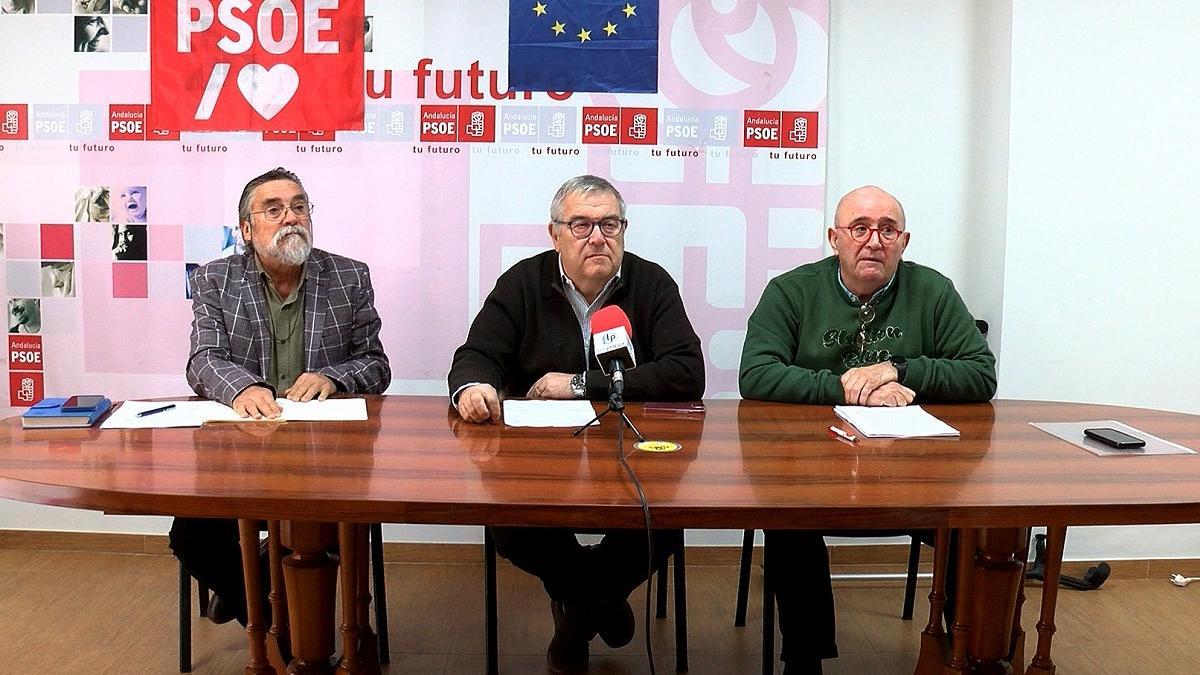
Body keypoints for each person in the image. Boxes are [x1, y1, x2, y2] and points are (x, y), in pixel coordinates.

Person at [449, 174, 704, 673]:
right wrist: (474, 386)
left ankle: (575, 616)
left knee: (663, 523)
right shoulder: (522, 282)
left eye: (609, 224)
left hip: (633, 456)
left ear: (623, 231)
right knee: (511, 526)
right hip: (538, 459)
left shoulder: (650, 283)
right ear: (555, 233)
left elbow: (685, 371)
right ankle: (598, 600)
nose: (597, 237)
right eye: (582, 224)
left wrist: (582, 383)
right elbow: (477, 354)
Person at [739, 185, 997, 675]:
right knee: (789, 519)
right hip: (811, 466)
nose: (873, 240)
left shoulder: (932, 290)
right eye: (859, 229)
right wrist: (849, 387)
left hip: (915, 473)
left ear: (904, 240)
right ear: (835, 238)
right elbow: (755, 374)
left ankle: (970, 652)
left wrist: (899, 369)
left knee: (970, 523)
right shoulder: (791, 291)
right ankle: (804, 658)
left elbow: (980, 374)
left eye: (887, 229)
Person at [171, 167, 391, 626]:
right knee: (191, 536)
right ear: (247, 231)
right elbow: (203, 360)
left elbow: (375, 364)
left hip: (325, 455)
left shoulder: (348, 276)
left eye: (299, 206)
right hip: (241, 452)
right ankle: (270, 610)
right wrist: (243, 388)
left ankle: (268, 610)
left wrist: (332, 377)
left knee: (318, 535)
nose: (291, 217)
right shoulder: (215, 279)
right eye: (273, 210)